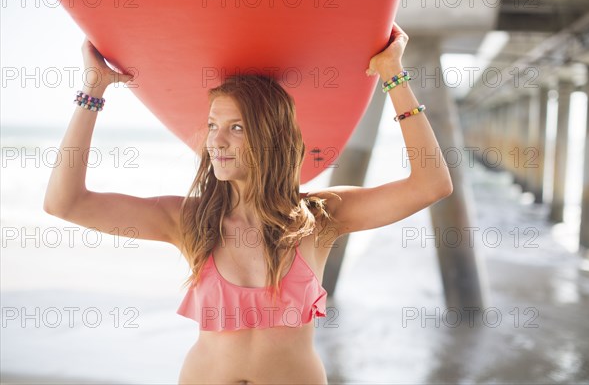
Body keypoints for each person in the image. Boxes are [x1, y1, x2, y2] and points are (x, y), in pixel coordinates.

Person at [44, 22, 453, 384]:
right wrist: (93, 90)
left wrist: (393, 76)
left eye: (235, 127)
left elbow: (430, 184)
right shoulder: (188, 220)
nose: (216, 141)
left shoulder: (320, 217)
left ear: (270, 137)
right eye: (212, 126)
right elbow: (66, 202)